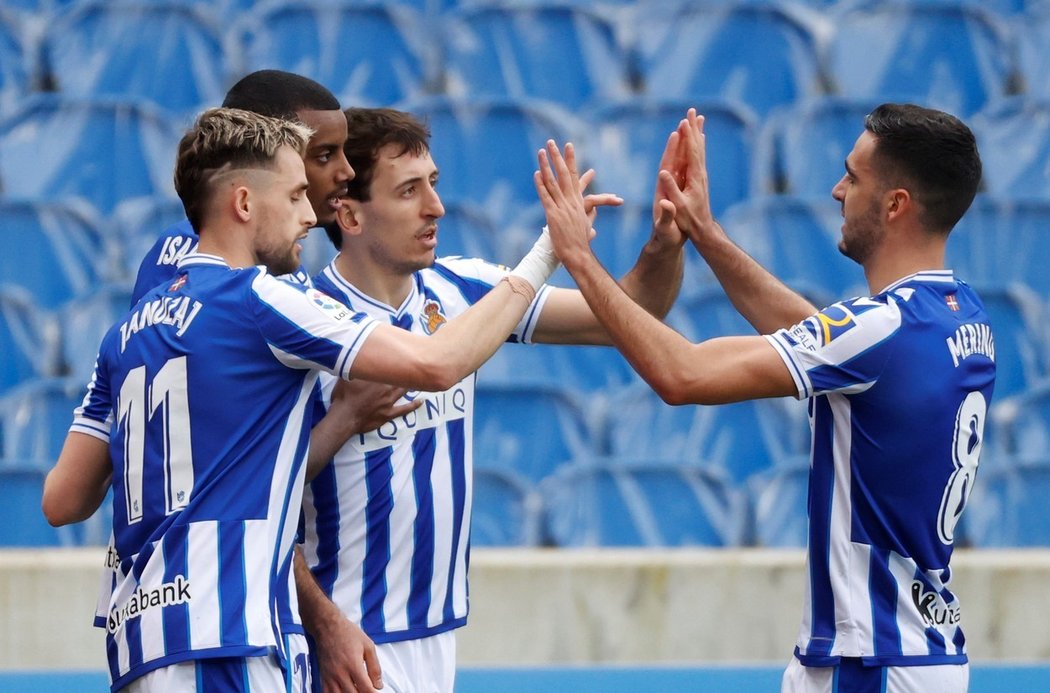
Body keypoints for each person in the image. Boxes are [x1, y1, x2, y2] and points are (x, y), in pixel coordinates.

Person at [41, 107, 569, 692]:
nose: (308, 216)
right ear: (244, 204)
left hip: (141, 639)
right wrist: (546, 253)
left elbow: (62, 499)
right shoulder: (260, 299)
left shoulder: (128, 330)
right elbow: (437, 363)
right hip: (228, 636)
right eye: (296, 196)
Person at [535, 105, 994, 692]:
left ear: (895, 204)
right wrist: (703, 229)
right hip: (917, 650)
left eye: (853, 178)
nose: (837, 190)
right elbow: (825, 339)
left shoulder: (879, 329)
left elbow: (684, 375)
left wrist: (578, 258)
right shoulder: (960, 315)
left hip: (870, 662)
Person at [296, 107, 687, 692]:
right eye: (409, 191)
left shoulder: (466, 287)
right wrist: (323, 626)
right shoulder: (300, 321)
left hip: (437, 637)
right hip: (346, 641)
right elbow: (257, 496)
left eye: (434, 183)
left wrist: (665, 243)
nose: (436, 207)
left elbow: (627, 316)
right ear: (349, 214)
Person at [131, 69, 354, 300]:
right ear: (263, 153)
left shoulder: (276, 252)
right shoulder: (194, 249)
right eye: (325, 156)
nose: (348, 172)